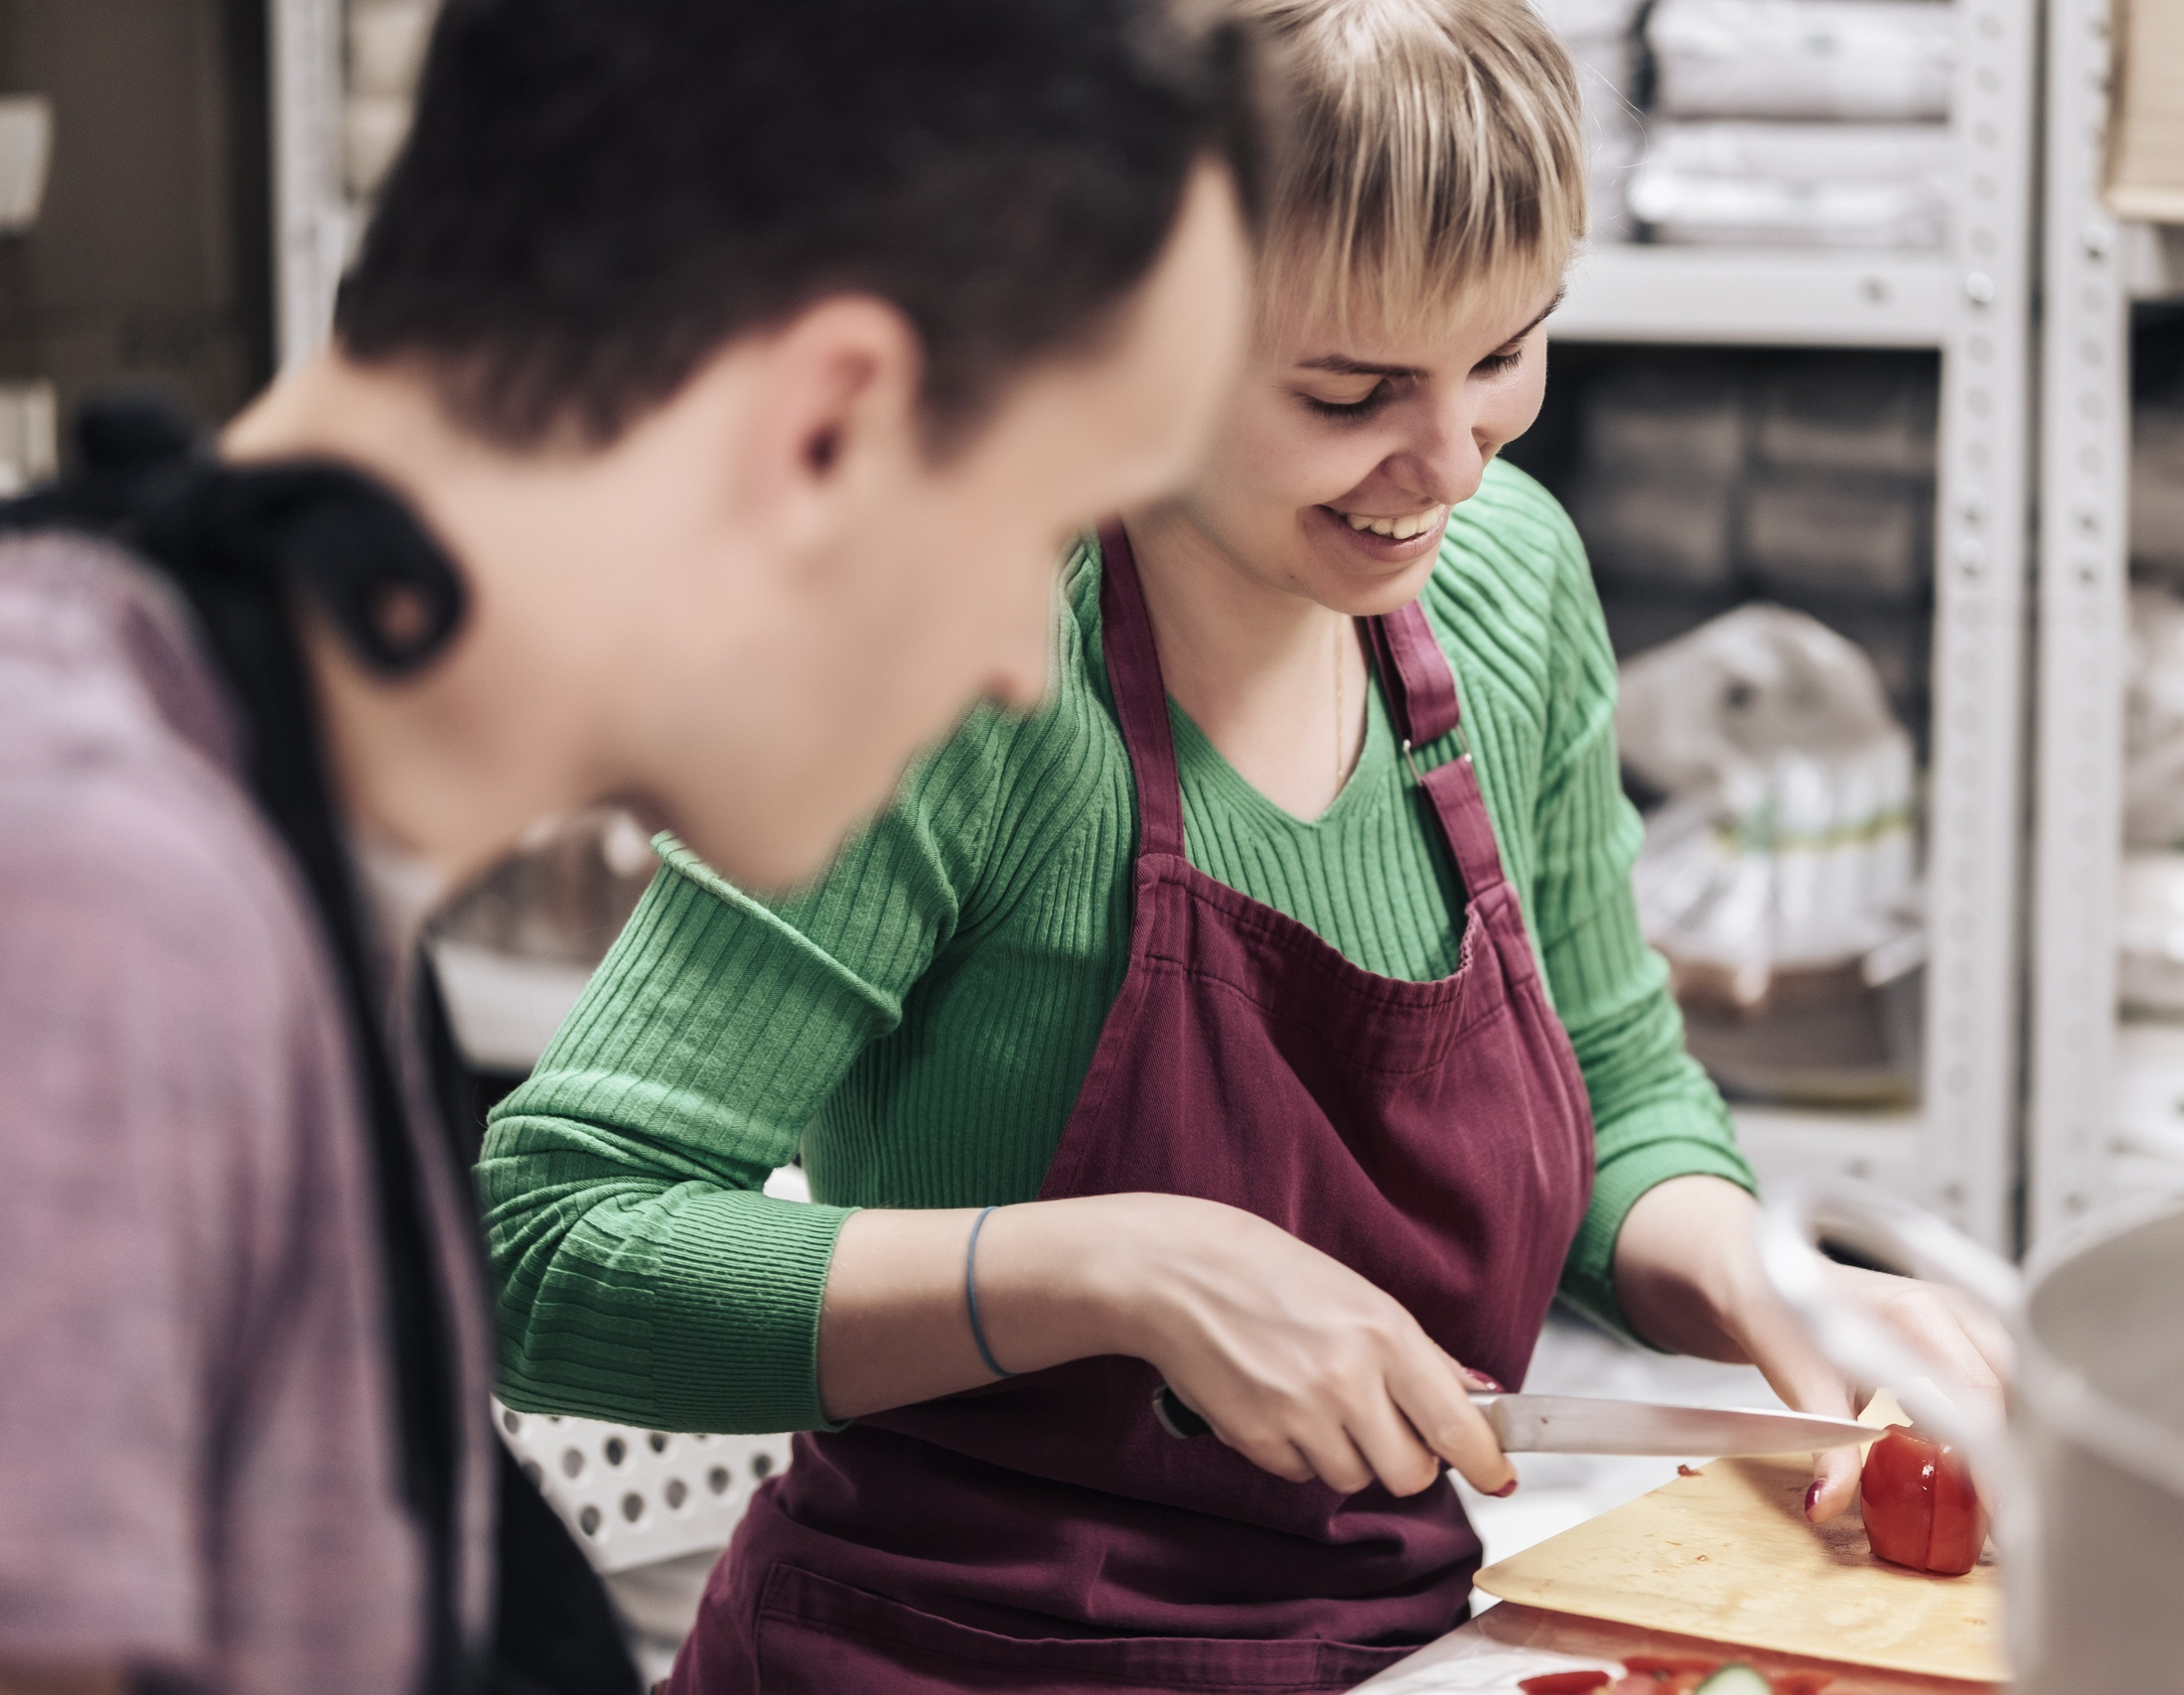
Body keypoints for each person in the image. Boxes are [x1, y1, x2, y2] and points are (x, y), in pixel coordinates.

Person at [481, 1, 2008, 1689]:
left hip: (1385, 1645)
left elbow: (1620, 1082)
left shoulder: (1506, 591)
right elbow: (550, 1242)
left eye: (1505, 354)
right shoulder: (958, 670)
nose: (1448, 465)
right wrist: (1112, 1267)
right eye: (1353, 390)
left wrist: (1762, 1282)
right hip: (941, 1653)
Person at [0, 0, 1264, 1689]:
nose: (1021, 667)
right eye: (1047, 523)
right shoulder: (91, 900)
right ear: (830, 428)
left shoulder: (257, 835)